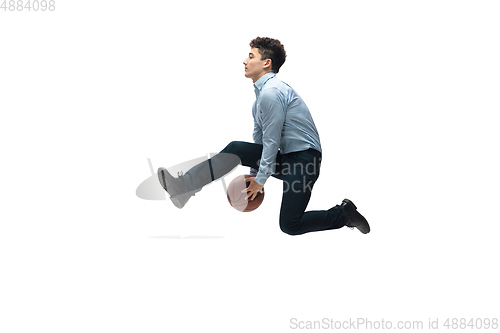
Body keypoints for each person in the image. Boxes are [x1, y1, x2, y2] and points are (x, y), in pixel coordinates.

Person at [158, 37, 370, 235]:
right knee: (236, 149)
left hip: (305, 162)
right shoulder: (259, 99)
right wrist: (255, 173)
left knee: (290, 225)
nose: (244, 61)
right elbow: (260, 141)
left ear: (266, 63)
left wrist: (260, 179)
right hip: (288, 158)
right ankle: (185, 187)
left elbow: (272, 141)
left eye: (251, 56)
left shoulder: (272, 93)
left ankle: (344, 214)